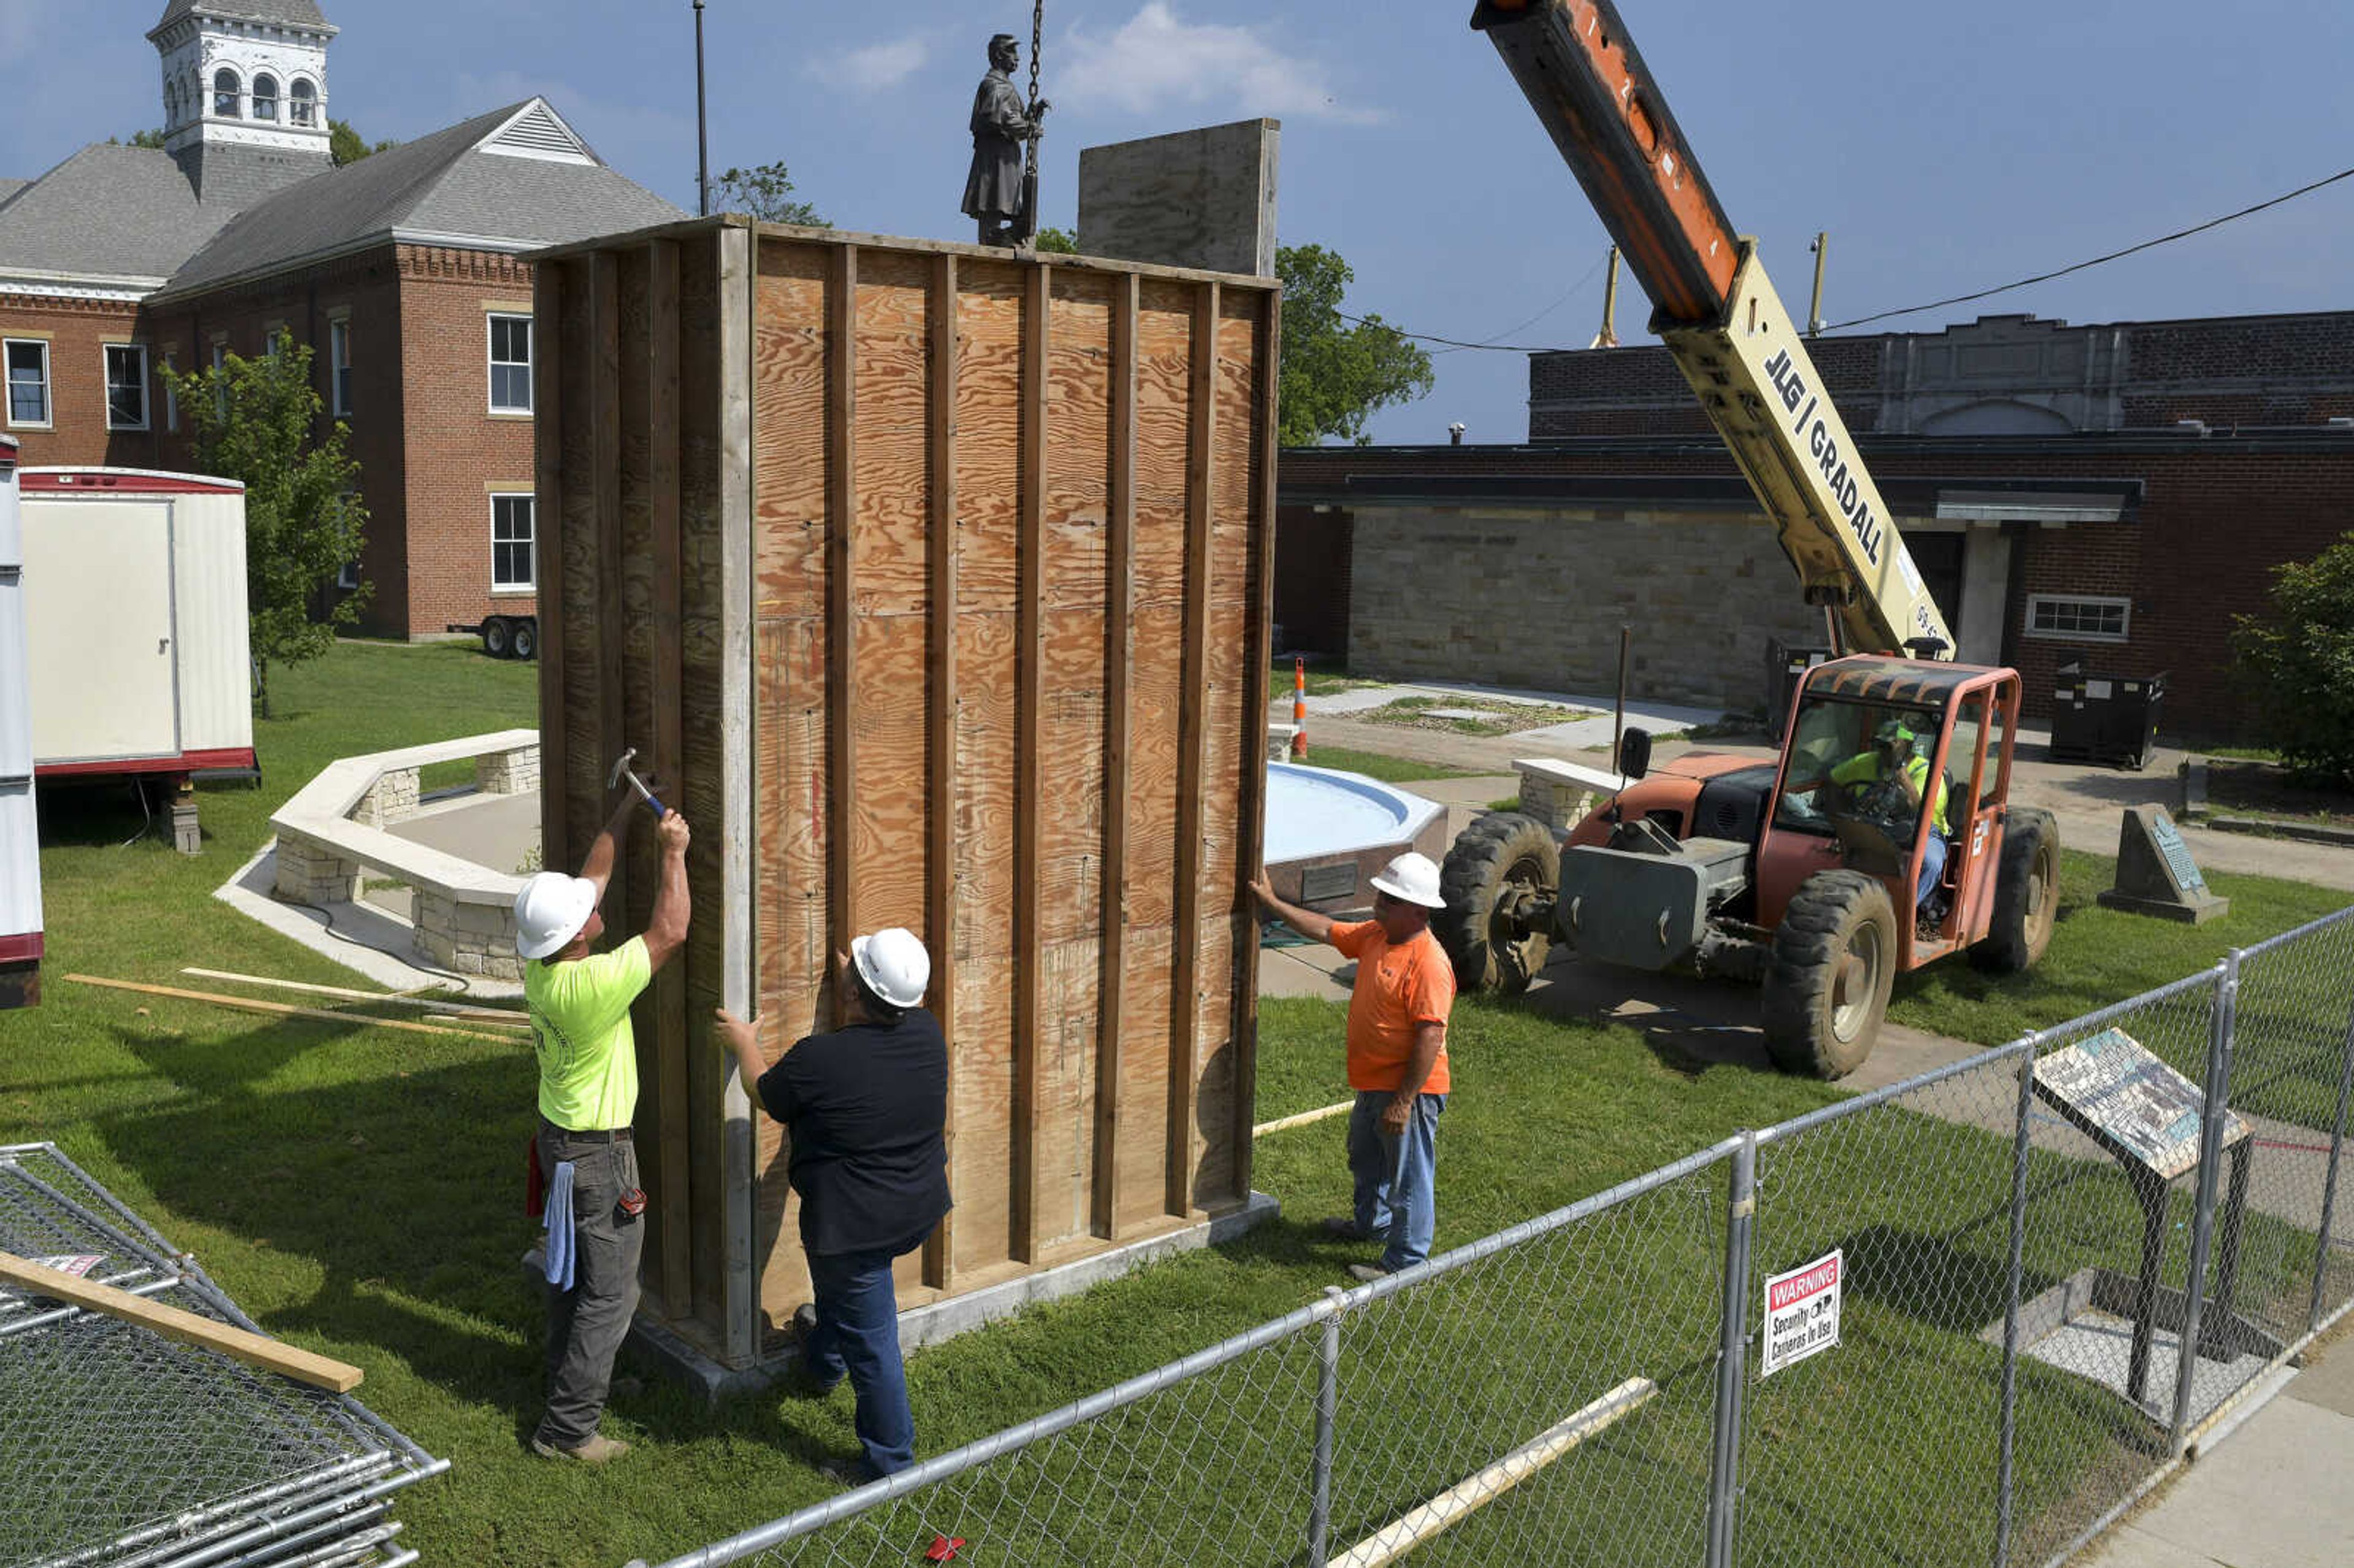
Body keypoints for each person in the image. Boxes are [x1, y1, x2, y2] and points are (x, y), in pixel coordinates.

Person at [714, 928, 950, 1483]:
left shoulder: (821, 1059)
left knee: (874, 1344)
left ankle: (888, 1464)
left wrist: (744, 1041)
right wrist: (860, 977)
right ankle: (822, 1361)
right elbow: (883, 1014)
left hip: (853, 1228)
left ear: (852, 994)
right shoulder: (927, 1033)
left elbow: (766, 1092)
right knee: (846, 1301)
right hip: (913, 1207)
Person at [512, 788, 691, 1464]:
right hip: (598, 1156)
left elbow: (593, 875)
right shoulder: (593, 988)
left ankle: (572, 1380)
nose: (596, 908)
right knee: (612, 1292)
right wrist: (673, 854)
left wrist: (619, 814)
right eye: (588, 913)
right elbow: (670, 930)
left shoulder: (540, 966)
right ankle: (567, 1430)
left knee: (572, 1276)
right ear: (579, 933)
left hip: (560, 1141)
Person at [1248, 852, 1455, 1282]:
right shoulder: (1377, 935)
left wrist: (1403, 1102)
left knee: (1408, 1178)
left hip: (1408, 1092)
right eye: (1381, 893)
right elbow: (1325, 929)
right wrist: (1272, 902)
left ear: (1418, 910)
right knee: (1366, 1159)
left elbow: (1430, 1037)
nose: (1378, 901)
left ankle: (1406, 1264)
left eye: (1390, 898)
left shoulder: (1429, 962)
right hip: (1373, 1083)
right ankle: (1371, 1225)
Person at [1824, 717, 1951, 929]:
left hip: (1922, 830)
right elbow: (1833, 780)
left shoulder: (1927, 772)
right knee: (1823, 850)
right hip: (1870, 823)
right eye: (1880, 745)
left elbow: (1919, 807)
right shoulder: (1865, 761)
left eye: (1889, 745)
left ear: (1907, 746)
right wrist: (1837, 811)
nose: (1882, 751)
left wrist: (1900, 772)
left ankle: (1902, 918)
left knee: (1930, 863)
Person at [962, 32, 1048, 246]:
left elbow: (1010, 118)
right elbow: (1002, 120)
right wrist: (1031, 128)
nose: (1017, 58)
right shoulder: (995, 85)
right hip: (996, 158)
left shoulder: (1002, 85)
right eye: (1012, 52)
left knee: (1005, 202)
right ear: (999, 56)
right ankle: (992, 240)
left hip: (1004, 156)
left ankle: (1002, 238)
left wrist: (1032, 116)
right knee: (994, 201)